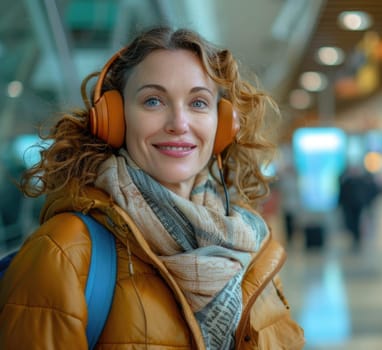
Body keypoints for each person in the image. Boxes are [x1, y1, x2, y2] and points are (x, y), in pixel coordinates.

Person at [0, 26, 304, 349]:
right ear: (114, 119)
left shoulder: (251, 249)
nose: (179, 123)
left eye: (198, 103)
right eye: (154, 101)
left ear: (225, 125)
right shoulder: (65, 253)